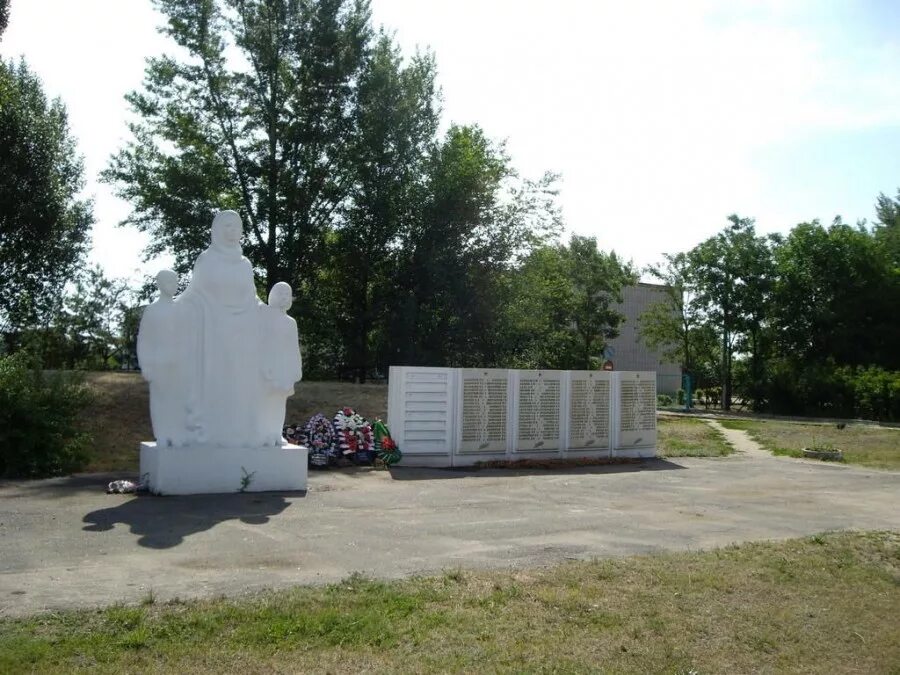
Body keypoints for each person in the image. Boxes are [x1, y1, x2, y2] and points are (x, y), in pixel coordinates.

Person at [178, 210, 265, 447]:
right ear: (216, 229)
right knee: (213, 381)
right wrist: (174, 308)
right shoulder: (207, 259)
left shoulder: (245, 264)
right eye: (226, 226)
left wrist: (267, 311)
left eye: (236, 227)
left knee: (241, 383)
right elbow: (193, 293)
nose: (231, 232)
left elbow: (252, 297)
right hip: (211, 329)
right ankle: (209, 430)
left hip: (241, 331)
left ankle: (241, 430)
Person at [137, 269, 189, 446]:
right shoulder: (152, 311)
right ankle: (162, 433)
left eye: (175, 281)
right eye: (168, 281)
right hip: (159, 363)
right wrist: (145, 365)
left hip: (179, 363)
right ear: (159, 284)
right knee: (160, 399)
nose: (173, 285)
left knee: (178, 399)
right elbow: (144, 340)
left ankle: (177, 433)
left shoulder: (182, 309)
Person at [258, 282, 303, 446]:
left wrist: (297, 368)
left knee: (280, 401)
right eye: (280, 293)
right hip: (268, 365)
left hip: (284, 366)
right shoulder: (264, 317)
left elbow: (294, 347)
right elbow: (260, 343)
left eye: (287, 294)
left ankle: (276, 433)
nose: (284, 297)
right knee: (266, 400)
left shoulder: (291, 322)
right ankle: (263, 433)